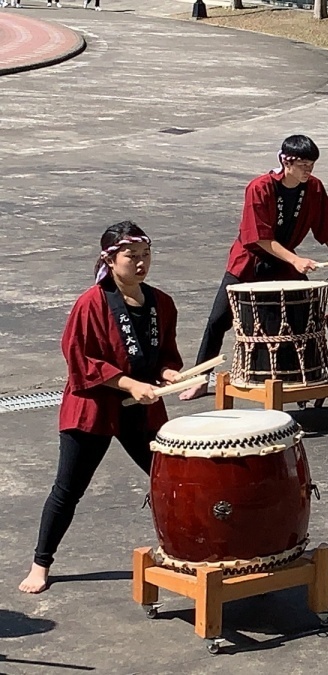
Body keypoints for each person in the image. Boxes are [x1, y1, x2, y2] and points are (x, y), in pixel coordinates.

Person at [19, 222, 183, 594]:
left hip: (141, 408)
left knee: (170, 480)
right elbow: (79, 359)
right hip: (93, 407)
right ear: (110, 260)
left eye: (146, 256)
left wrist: (170, 373)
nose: (141, 264)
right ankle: (40, 563)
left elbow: (165, 355)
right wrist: (129, 383)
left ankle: (185, 550)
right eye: (131, 257)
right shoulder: (91, 303)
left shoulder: (161, 302)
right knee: (68, 488)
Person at [179, 135, 328, 400]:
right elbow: (259, 237)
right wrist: (295, 260)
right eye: (303, 164)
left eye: (311, 164)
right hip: (250, 260)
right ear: (285, 160)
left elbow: (325, 225)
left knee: (307, 315)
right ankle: (201, 380)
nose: (308, 170)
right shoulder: (259, 187)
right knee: (217, 320)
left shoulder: (313, 187)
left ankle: (305, 375)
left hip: (285, 261)